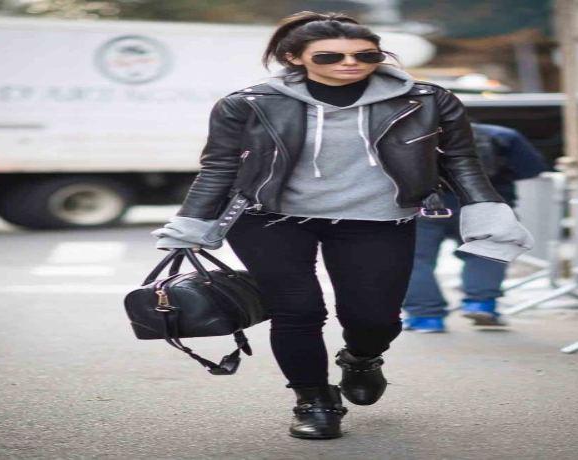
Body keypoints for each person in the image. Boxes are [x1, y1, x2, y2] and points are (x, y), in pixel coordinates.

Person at [151, 11, 533, 440]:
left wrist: (486, 208)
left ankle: (362, 357)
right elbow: (219, 166)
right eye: (330, 56)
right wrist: (190, 224)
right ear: (294, 57)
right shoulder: (248, 102)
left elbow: (461, 159)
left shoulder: (426, 99)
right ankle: (313, 400)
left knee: (374, 317)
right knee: (296, 310)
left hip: (378, 217)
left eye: (365, 54)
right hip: (267, 217)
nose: (350, 63)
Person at [402, 123, 548, 332]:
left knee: (416, 261)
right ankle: (481, 304)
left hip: (426, 206)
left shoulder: (408, 136)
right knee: (487, 254)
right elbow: (531, 168)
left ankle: (425, 317)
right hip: (487, 204)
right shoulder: (502, 135)